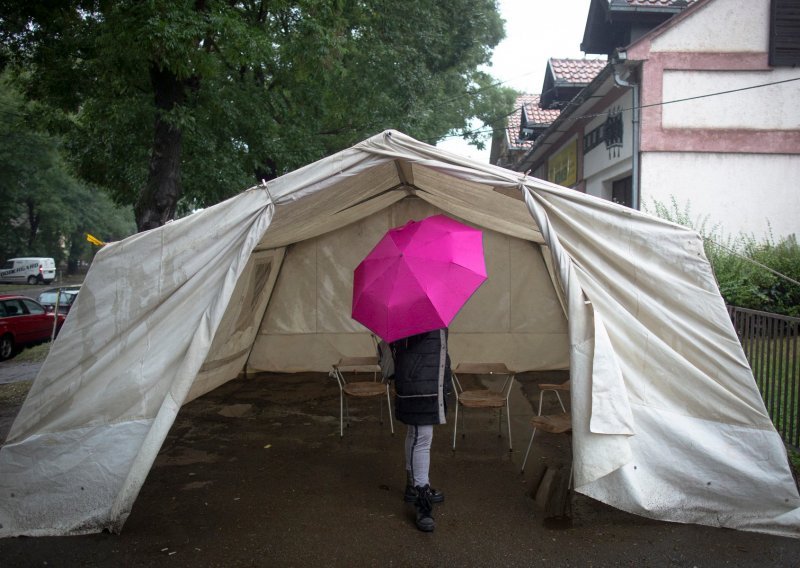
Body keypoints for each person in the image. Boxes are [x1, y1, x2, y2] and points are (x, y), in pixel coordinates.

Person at [390, 328, 451, 532]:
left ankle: (413, 486)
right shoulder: (409, 312)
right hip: (418, 384)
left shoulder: (431, 308)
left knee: (416, 434)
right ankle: (421, 498)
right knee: (422, 437)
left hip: (429, 380)